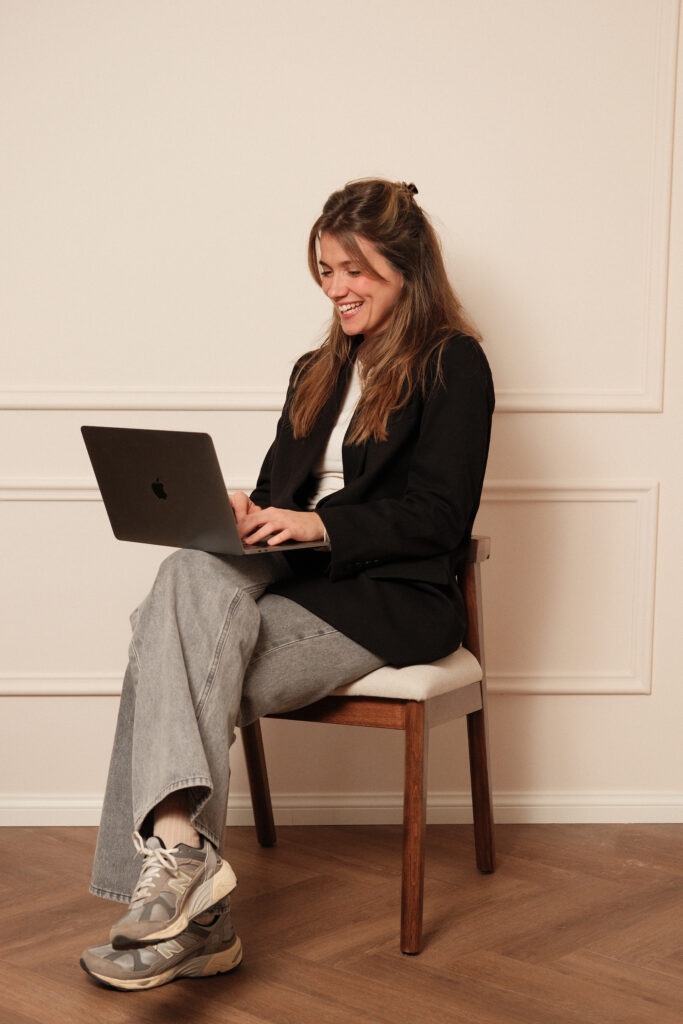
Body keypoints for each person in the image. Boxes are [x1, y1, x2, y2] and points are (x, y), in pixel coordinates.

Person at [80, 178, 495, 990]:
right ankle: (186, 867)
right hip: (295, 574)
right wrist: (248, 511)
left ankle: (193, 917)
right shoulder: (317, 368)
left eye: (354, 270)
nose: (336, 288)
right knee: (185, 569)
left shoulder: (453, 363)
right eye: (325, 271)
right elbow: (282, 489)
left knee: (169, 660)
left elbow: (440, 517)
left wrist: (318, 526)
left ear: (406, 267)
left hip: (388, 597)